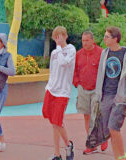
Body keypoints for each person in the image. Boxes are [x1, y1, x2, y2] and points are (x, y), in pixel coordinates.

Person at [94, 27, 126, 160]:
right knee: (108, 130)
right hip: (106, 96)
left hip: (120, 97)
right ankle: (117, 156)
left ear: (115, 39)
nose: (104, 39)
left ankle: (122, 155)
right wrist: (98, 95)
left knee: (114, 127)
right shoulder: (105, 53)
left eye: (107, 37)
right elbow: (100, 76)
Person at [43, 26, 76, 160]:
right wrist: (49, 85)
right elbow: (52, 70)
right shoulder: (54, 52)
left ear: (65, 36)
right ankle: (58, 152)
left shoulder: (71, 50)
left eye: (61, 35)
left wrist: (60, 47)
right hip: (52, 89)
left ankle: (65, 147)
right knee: (52, 120)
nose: (58, 38)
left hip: (63, 92)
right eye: (56, 36)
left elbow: (63, 63)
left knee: (57, 121)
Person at [72, 30, 107, 155]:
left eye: (87, 40)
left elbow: (105, 71)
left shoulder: (101, 53)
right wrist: (77, 84)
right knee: (86, 115)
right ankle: (92, 144)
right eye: (83, 40)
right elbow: (74, 71)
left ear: (92, 40)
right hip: (83, 90)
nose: (85, 43)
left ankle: (103, 138)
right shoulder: (79, 54)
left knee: (97, 116)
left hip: (96, 90)